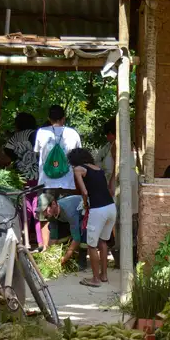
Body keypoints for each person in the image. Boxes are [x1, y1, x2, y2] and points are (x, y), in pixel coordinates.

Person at [35, 105, 82, 246]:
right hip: (67, 182)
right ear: (64, 118)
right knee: (67, 214)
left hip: (46, 182)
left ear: (49, 118)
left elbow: (37, 152)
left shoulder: (41, 132)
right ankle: (67, 248)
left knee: (45, 215)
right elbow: (78, 156)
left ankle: (46, 248)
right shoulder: (73, 133)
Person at [68, 148, 116, 287]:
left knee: (91, 245)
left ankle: (95, 279)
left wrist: (85, 204)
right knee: (103, 241)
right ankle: (104, 275)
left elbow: (84, 191)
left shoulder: (78, 169)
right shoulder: (98, 169)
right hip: (111, 207)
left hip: (98, 209)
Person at [38, 193, 84, 267]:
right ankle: (70, 246)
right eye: (42, 211)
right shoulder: (50, 214)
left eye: (45, 210)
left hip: (87, 216)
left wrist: (65, 258)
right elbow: (53, 237)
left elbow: (76, 238)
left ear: (53, 204)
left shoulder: (69, 212)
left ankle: (82, 257)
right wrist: (47, 252)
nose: (44, 214)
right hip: (71, 221)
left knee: (80, 233)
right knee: (50, 227)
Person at [92, 121, 116, 194]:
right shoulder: (107, 146)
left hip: (115, 181)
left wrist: (112, 181)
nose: (107, 137)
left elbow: (117, 166)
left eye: (107, 134)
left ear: (111, 133)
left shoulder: (117, 145)